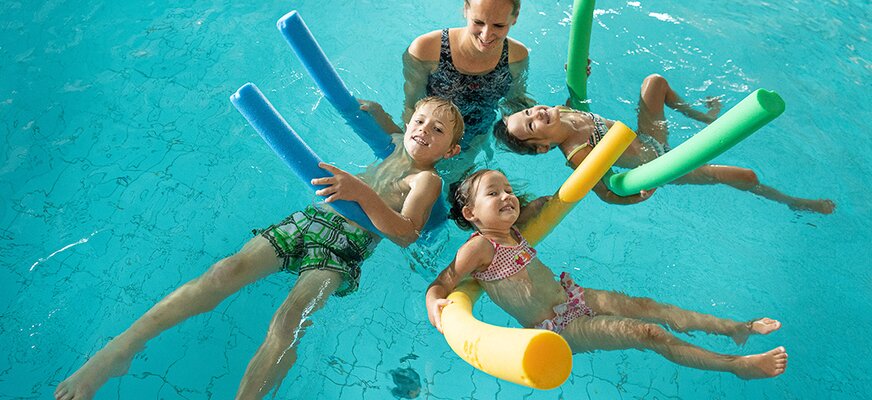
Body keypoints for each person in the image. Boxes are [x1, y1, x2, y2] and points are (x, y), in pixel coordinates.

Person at [54, 97, 465, 400]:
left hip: (342, 250)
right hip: (308, 221)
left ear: (450, 151)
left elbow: (406, 232)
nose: (423, 130)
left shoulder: (427, 181)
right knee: (223, 272)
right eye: (420, 120)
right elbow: (383, 119)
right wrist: (368, 109)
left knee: (288, 320)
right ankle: (118, 352)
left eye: (436, 131)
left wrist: (360, 192)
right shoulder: (394, 140)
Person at [426, 169, 789, 379]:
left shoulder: (513, 227)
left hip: (574, 296)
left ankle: (736, 328)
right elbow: (443, 281)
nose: (507, 196)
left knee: (650, 307)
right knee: (646, 332)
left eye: (508, 190)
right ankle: (735, 366)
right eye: (494, 193)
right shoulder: (479, 247)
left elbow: (547, 204)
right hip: (557, 326)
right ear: (472, 213)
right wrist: (436, 302)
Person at [492, 74, 836, 213]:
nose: (536, 112)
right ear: (542, 147)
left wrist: (581, 71)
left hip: (649, 140)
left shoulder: (564, 112)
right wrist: (636, 194)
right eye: (532, 124)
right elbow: (606, 192)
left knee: (654, 83)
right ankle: (795, 202)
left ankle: (704, 118)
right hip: (659, 167)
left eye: (529, 112)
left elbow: (579, 100)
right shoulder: (577, 155)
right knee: (743, 175)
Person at [402, 0, 535, 154]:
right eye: (478, 22)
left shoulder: (516, 56)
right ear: (466, 9)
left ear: (515, 16)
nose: (486, 35)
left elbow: (516, 104)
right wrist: (411, 153)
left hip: (477, 137)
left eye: (499, 25)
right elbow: (411, 107)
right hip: (428, 138)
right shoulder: (426, 49)